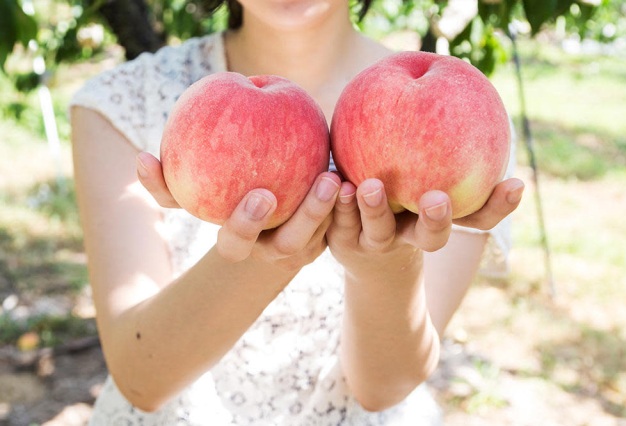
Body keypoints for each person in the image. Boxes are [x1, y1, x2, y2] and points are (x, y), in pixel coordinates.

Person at [70, 0, 524, 424]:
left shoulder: (467, 118)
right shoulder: (121, 101)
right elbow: (141, 379)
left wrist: (386, 265)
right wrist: (263, 259)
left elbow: (384, 388)